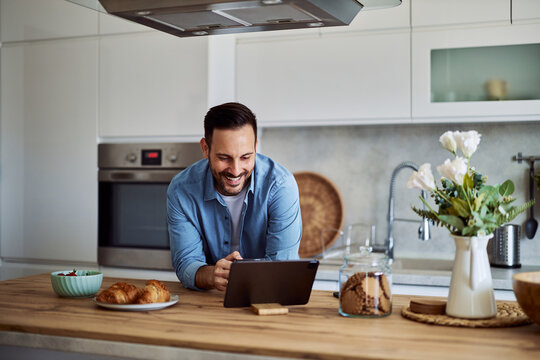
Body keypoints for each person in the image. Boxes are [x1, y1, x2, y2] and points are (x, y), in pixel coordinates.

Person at [167, 102, 302, 291]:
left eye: (246, 157)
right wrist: (213, 275)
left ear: (256, 146)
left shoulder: (280, 186)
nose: (236, 170)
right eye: (224, 158)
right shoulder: (182, 189)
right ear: (205, 148)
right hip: (210, 302)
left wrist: (240, 277)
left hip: (265, 298)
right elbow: (186, 264)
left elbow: (281, 268)